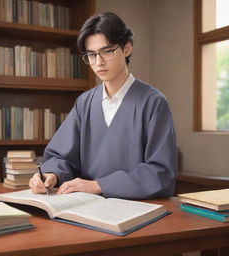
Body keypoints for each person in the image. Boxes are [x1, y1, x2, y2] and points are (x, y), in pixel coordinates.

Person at [29, 12, 177, 199]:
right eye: (91, 55)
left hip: (136, 209)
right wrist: (52, 175)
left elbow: (160, 172)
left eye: (107, 51)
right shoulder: (84, 102)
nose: (98, 62)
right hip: (86, 206)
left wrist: (99, 185)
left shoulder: (153, 103)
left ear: (127, 48)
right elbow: (62, 156)